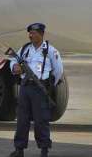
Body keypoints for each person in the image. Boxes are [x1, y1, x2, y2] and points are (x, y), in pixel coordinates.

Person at [9, 23, 64, 157]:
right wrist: (14, 66)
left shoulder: (50, 51)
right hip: (25, 87)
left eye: (33, 33)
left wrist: (48, 86)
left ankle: (44, 149)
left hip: (40, 89)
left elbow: (58, 71)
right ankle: (19, 149)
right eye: (30, 33)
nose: (31, 35)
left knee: (41, 121)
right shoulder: (25, 49)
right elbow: (13, 59)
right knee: (22, 120)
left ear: (41, 34)